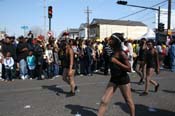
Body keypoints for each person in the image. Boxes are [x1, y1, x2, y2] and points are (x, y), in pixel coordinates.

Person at [98, 33, 135, 116]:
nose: (109, 40)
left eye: (111, 39)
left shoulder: (121, 53)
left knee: (128, 100)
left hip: (123, 79)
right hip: (114, 79)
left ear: (115, 41)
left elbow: (129, 68)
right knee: (104, 100)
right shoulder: (112, 51)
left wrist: (116, 62)